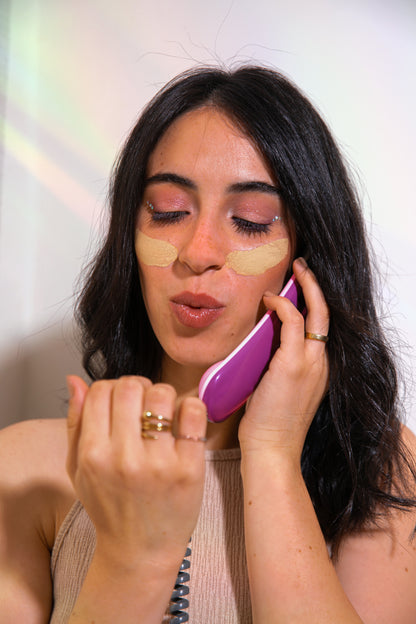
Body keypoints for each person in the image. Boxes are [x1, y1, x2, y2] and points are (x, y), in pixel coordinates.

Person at [0, 65, 415, 624]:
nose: (198, 252)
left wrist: (272, 453)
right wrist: (134, 560)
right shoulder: (25, 470)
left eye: (250, 221)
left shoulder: (384, 472)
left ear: (307, 261)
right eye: (169, 211)